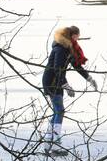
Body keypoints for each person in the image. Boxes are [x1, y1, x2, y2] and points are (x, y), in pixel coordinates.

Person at [41, 26, 98, 154]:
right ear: (73, 36)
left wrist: (89, 78)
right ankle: (55, 145)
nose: (78, 38)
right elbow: (57, 69)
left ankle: (48, 143)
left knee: (57, 111)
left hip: (56, 81)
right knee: (59, 111)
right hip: (52, 82)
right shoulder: (61, 48)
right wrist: (66, 85)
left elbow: (76, 65)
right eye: (78, 35)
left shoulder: (68, 47)